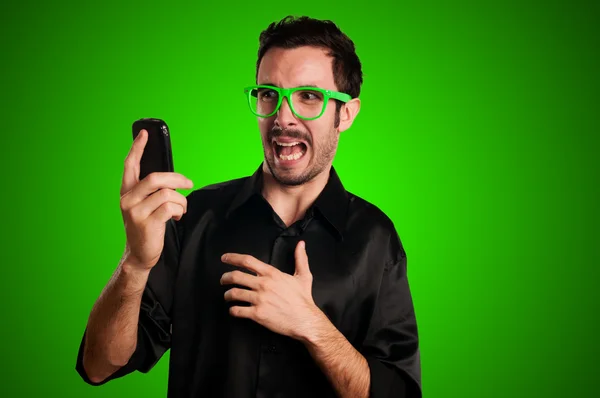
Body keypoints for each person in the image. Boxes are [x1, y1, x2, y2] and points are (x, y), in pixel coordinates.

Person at [76, 15, 421, 398]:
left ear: (347, 113)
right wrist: (135, 264)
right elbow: (98, 366)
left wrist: (311, 325)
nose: (283, 117)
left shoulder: (376, 238)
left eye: (309, 96)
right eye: (269, 94)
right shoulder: (193, 218)